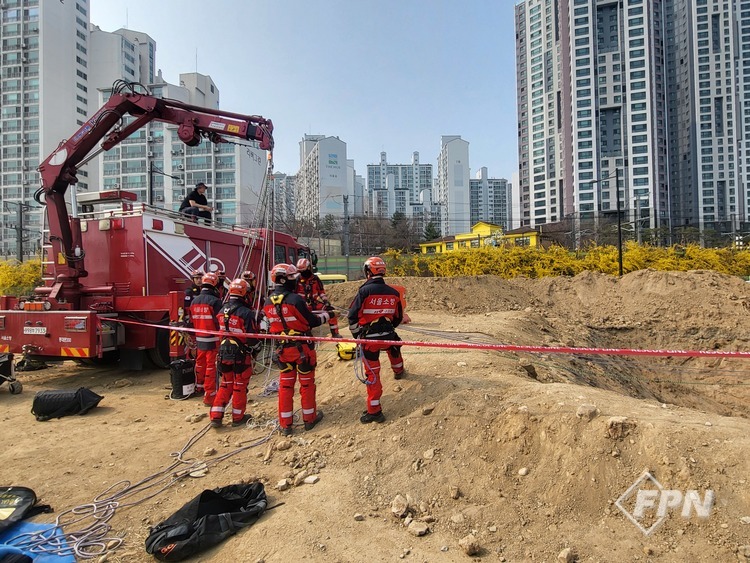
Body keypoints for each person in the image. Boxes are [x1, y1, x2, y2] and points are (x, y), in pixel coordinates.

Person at [263, 263, 328, 436]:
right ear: (284, 279)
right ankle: (309, 419)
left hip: (282, 350)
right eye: (292, 277)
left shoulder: (267, 302)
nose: (296, 280)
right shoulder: (295, 300)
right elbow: (311, 321)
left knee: (285, 386)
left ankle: (285, 424)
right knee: (306, 384)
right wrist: (327, 316)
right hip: (302, 349)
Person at [348, 256, 405, 424]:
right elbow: (398, 317)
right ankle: (399, 371)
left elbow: (352, 316)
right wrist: (388, 327)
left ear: (368, 271)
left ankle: (374, 411)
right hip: (388, 335)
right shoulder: (393, 293)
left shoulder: (364, 291)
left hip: (370, 339)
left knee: (372, 373)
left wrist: (357, 335)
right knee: (394, 347)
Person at [210, 279, 261, 428]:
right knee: (239, 385)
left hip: (223, 352)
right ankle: (238, 417)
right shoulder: (246, 313)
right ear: (245, 293)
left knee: (225, 384)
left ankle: (216, 416)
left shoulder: (222, 311)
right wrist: (257, 348)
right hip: (240, 354)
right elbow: (251, 338)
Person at [189, 272, 223, 405]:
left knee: (200, 364)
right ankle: (210, 396)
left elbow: (191, 321)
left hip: (199, 338)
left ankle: (199, 387)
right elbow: (219, 322)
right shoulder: (215, 301)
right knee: (211, 367)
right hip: (212, 340)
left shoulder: (194, 301)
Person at [295, 258, 342, 338]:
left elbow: (321, 291)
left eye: (304, 271)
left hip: (314, 303)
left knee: (331, 312)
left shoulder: (315, 279)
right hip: (302, 305)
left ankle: (335, 333)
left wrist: (326, 301)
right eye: (301, 271)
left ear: (309, 268)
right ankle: (304, 334)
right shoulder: (297, 279)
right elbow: (294, 294)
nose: (303, 273)